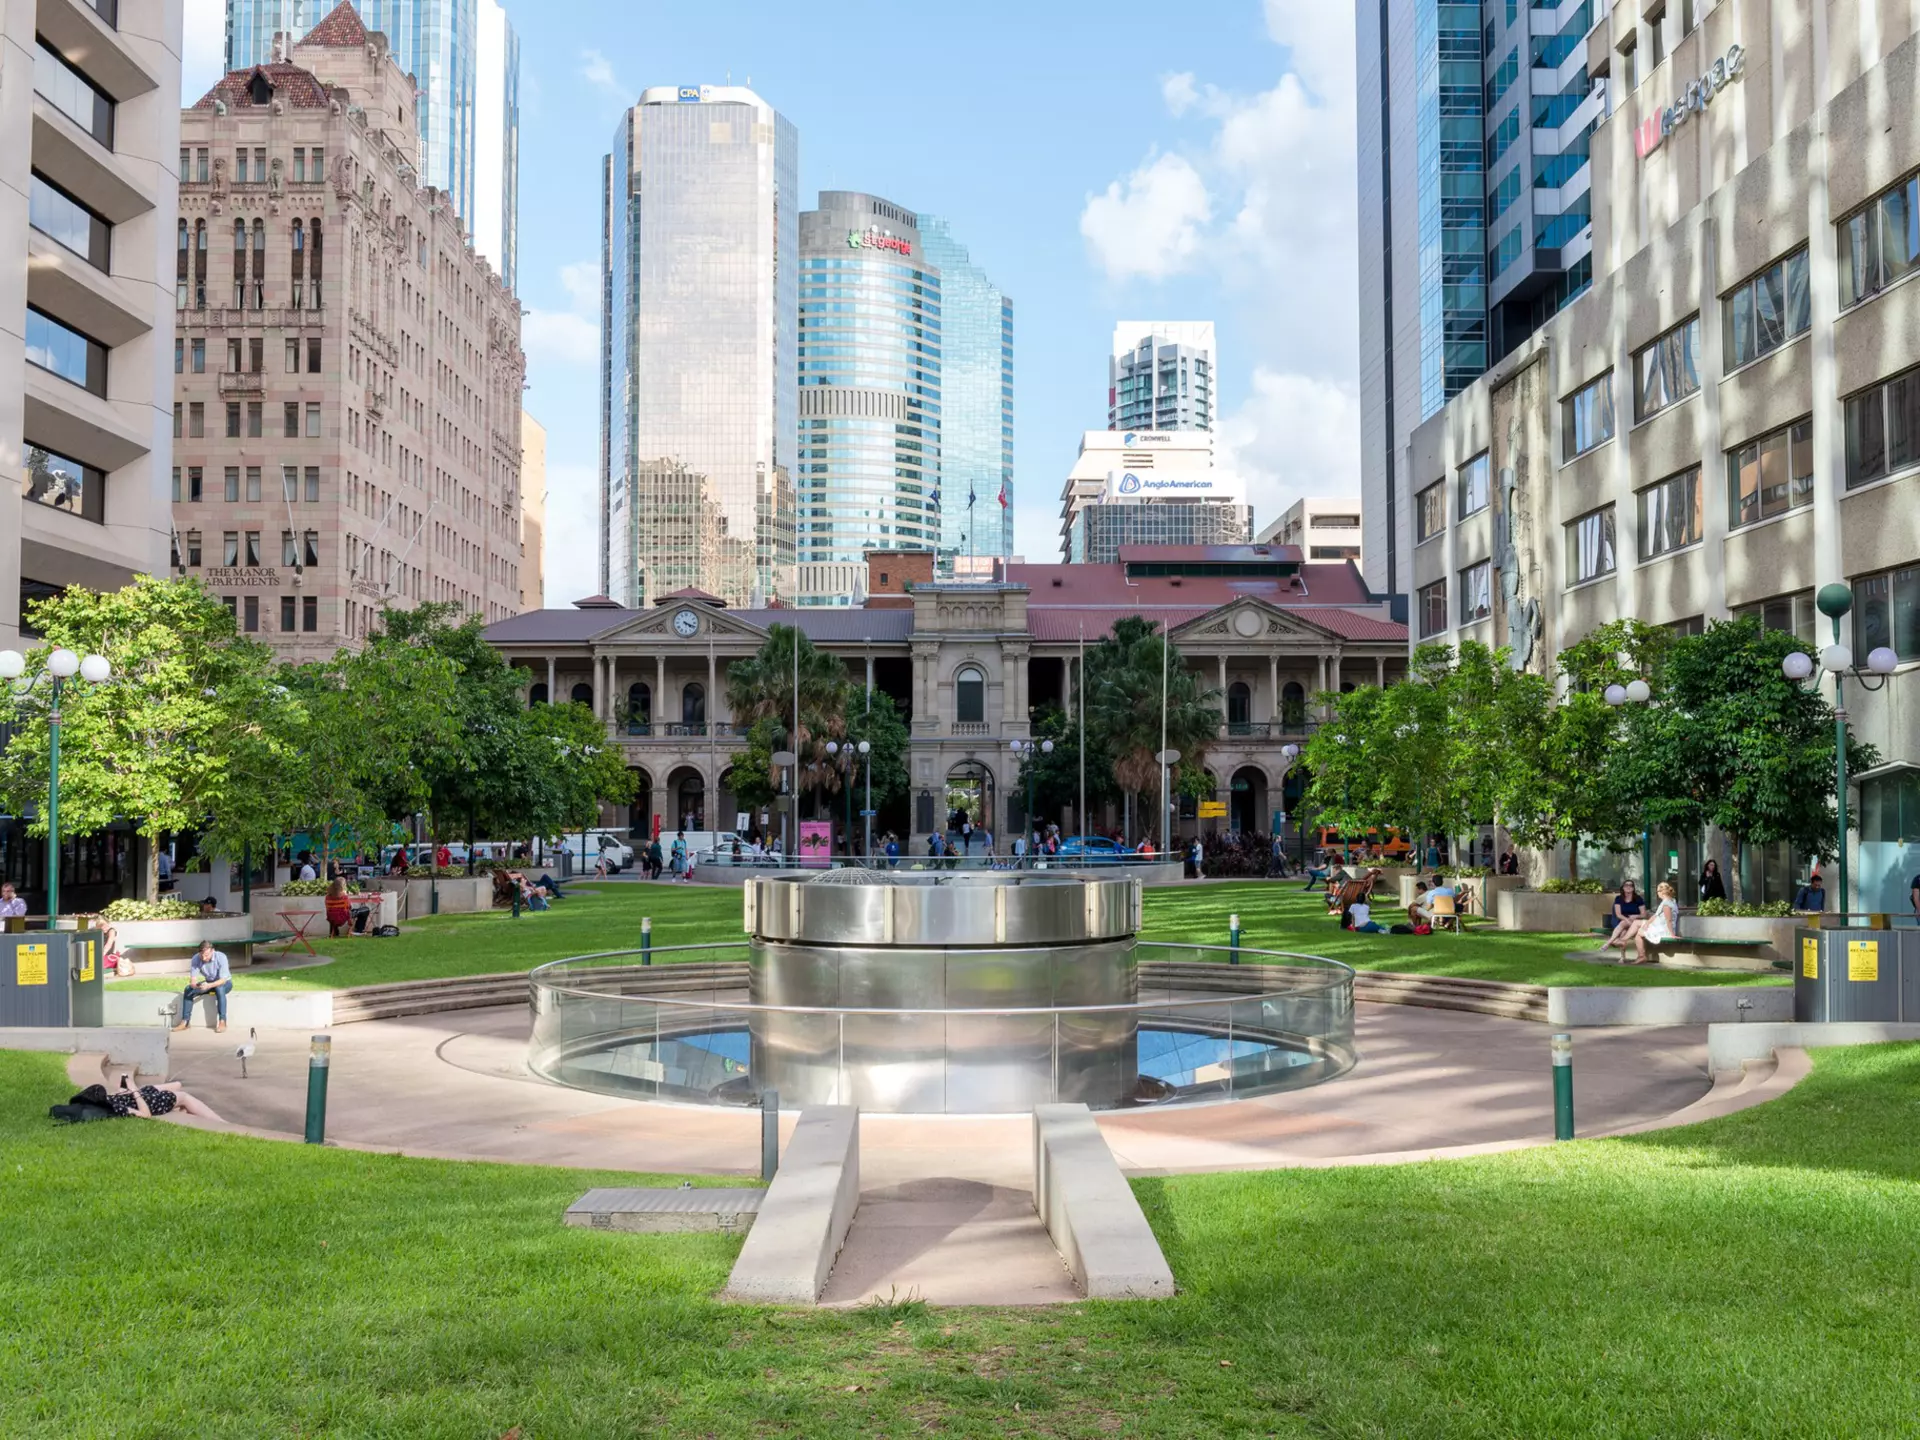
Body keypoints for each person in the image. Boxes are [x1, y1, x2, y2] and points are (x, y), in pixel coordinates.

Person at [108, 1073, 224, 1122]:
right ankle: (222, 1123)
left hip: (135, 1095)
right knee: (184, 1097)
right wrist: (134, 1090)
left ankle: (181, 1110)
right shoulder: (115, 1107)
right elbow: (145, 1114)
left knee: (177, 1085)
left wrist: (121, 1091)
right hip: (147, 1102)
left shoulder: (105, 1100)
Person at [174, 940, 232, 1033]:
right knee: (188, 990)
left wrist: (209, 985)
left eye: (206, 955)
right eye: (202, 955)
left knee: (219, 988)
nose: (204, 958)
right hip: (209, 983)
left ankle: (222, 1021)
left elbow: (223, 980)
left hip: (225, 983)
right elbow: (193, 978)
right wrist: (194, 984)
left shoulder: (221, 957)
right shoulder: (196, 958)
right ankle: (185, 1022)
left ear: (212, 951)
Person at [1633, 881, 1682, 964]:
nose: (1657, 893)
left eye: (1657, 891)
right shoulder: (1671, 901)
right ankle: (1640, 955)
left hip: (1665, 930)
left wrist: (1672, 934)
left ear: (1662, 892)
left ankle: (1641, 956)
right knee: (1640, 928)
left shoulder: (1666, 903)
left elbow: (1669, 920)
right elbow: (1657, 915)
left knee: (1639, 933)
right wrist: (1647, 923)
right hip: (1662, 927)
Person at [1605, 880, 1647, 951]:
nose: (1628, 887)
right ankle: (1622, 955)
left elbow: (1644, 914)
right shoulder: (1618, 898)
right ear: (1623, 888)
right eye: (1626, 885)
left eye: (1630, 885)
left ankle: (1609, 942)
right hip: (1621, 921)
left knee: (1623, 925)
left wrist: (1636, 916)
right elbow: (1618, 914)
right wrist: (1627, 920)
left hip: (1635, 922)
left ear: (1633, 888)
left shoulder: (1638, 899)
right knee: (1623, 931)